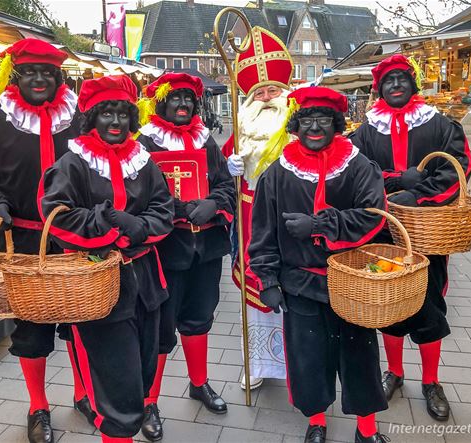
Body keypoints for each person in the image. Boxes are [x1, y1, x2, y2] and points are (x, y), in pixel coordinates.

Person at [0, 38, 89, 443]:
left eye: (47, 73)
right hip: (25, 245)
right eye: (30, 72)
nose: (38, 79)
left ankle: (84, 394)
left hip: (76, 239)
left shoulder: (81, 118)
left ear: (58, 78)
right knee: (31, 330)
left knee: (80, 321)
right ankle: (38, 406)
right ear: (15, 76)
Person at [249, 86, 389, 443]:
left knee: (360, 357)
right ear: (295, 124)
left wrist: (320, 225)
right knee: (307, 360)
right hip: (299, 285)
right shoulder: (276, 174)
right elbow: (262, 231)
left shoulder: (358, 165)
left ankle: (367, 429)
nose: (314, 127)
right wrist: (266, 280)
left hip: (353, 284)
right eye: (307, 119)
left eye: (323, 119)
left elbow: (373, 217)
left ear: (336, 123)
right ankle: (317, 422)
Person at [39, 74, 174, 442]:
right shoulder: (73, 163)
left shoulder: (144, 161)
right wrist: (107, 226)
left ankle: (139, 415)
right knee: (113, 386)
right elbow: (57, 214)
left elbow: (164, 210)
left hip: (145, 279)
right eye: (106, 113)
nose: (116, 122)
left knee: (143, 370)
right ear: (92, 117)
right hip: (96, 285)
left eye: (123, 114)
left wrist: (138, 226)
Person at [350, 54, 471, 422]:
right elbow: (355, 170)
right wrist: (394, 184)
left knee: (428, 307)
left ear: (413, 84)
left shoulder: (439, 124)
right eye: (389, 81)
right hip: (383, 231)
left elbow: (459, 167)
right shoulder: (367, 130)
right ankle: (396, 373)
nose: (396, 86)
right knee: (388, 305)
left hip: (427, 235)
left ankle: (432, 382)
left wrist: (418, 195)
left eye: (402, 79)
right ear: (380, 88)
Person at [137, 72, 235, 441]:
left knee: (200, 317)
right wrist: (175, 210)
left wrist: (214, 203)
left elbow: (225, 184)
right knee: (161, 327)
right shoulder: (143, 142)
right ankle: (149, 400)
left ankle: (199, 383)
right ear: (160, 102)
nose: (183, 104)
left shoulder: (206, 139)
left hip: (206, 248)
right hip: (166, 250)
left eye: (189, 99)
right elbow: (137, 196)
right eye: (175, 98)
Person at [221, 26, 294, 390]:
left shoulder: (300, 123)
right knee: (253, 292)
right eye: (259, 92)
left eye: (273, 90)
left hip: (291, 220)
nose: (266, 96)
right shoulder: (242, 126)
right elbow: (219, 176)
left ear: (285, 92)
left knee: (292, 289)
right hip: (250, 217)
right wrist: (228, 168)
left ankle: (296, 363)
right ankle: (257, 363)